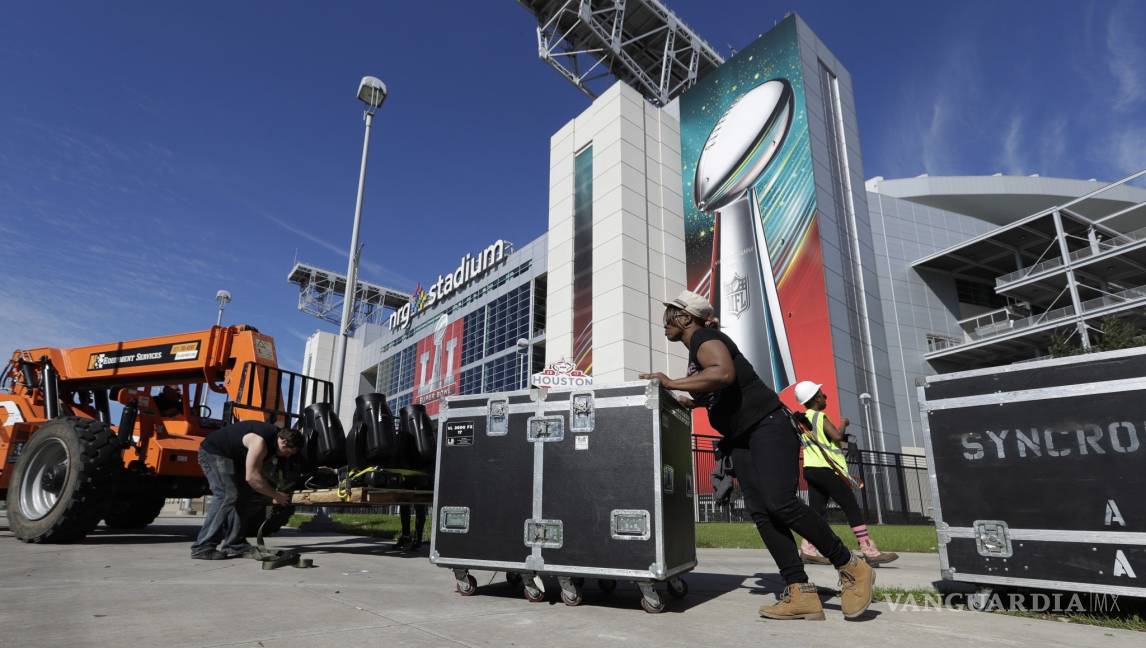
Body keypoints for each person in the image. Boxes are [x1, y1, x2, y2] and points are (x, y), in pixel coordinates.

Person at [641, 290, 874, 620]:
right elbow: (717, 392)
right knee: (762, 512)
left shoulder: (705, 337)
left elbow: (723, 374)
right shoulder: (698, 351)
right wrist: (693, 401)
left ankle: (851, 566)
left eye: (669, 315)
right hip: (742, 436)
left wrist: (670, 382)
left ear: (685, 318)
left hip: (767, 424)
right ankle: (799, 591)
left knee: (781, 503)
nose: (664, 322)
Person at [793, 380, 898, 566]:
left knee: (816, 512)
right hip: (827, 469)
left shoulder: (802, 420)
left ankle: (807, 549)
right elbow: (837, 436)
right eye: (822, 394)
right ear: (816, 398)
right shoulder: (819, 416)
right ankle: (869, 550)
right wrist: (843, 423)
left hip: (810, 469)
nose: (825, 396)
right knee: (851, 506)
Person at [190, 420, 302, 560]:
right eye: (290, 452)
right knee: (227, 495)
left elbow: (260, 475)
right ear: (284, 442)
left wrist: (274, 490)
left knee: (244, 496)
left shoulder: (274, 443)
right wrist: (276, 495)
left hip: (234, 458)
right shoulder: (260, 442)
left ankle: (235, 545)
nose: (288, 456)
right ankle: (202, 547)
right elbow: (252, 477)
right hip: (215, 452)